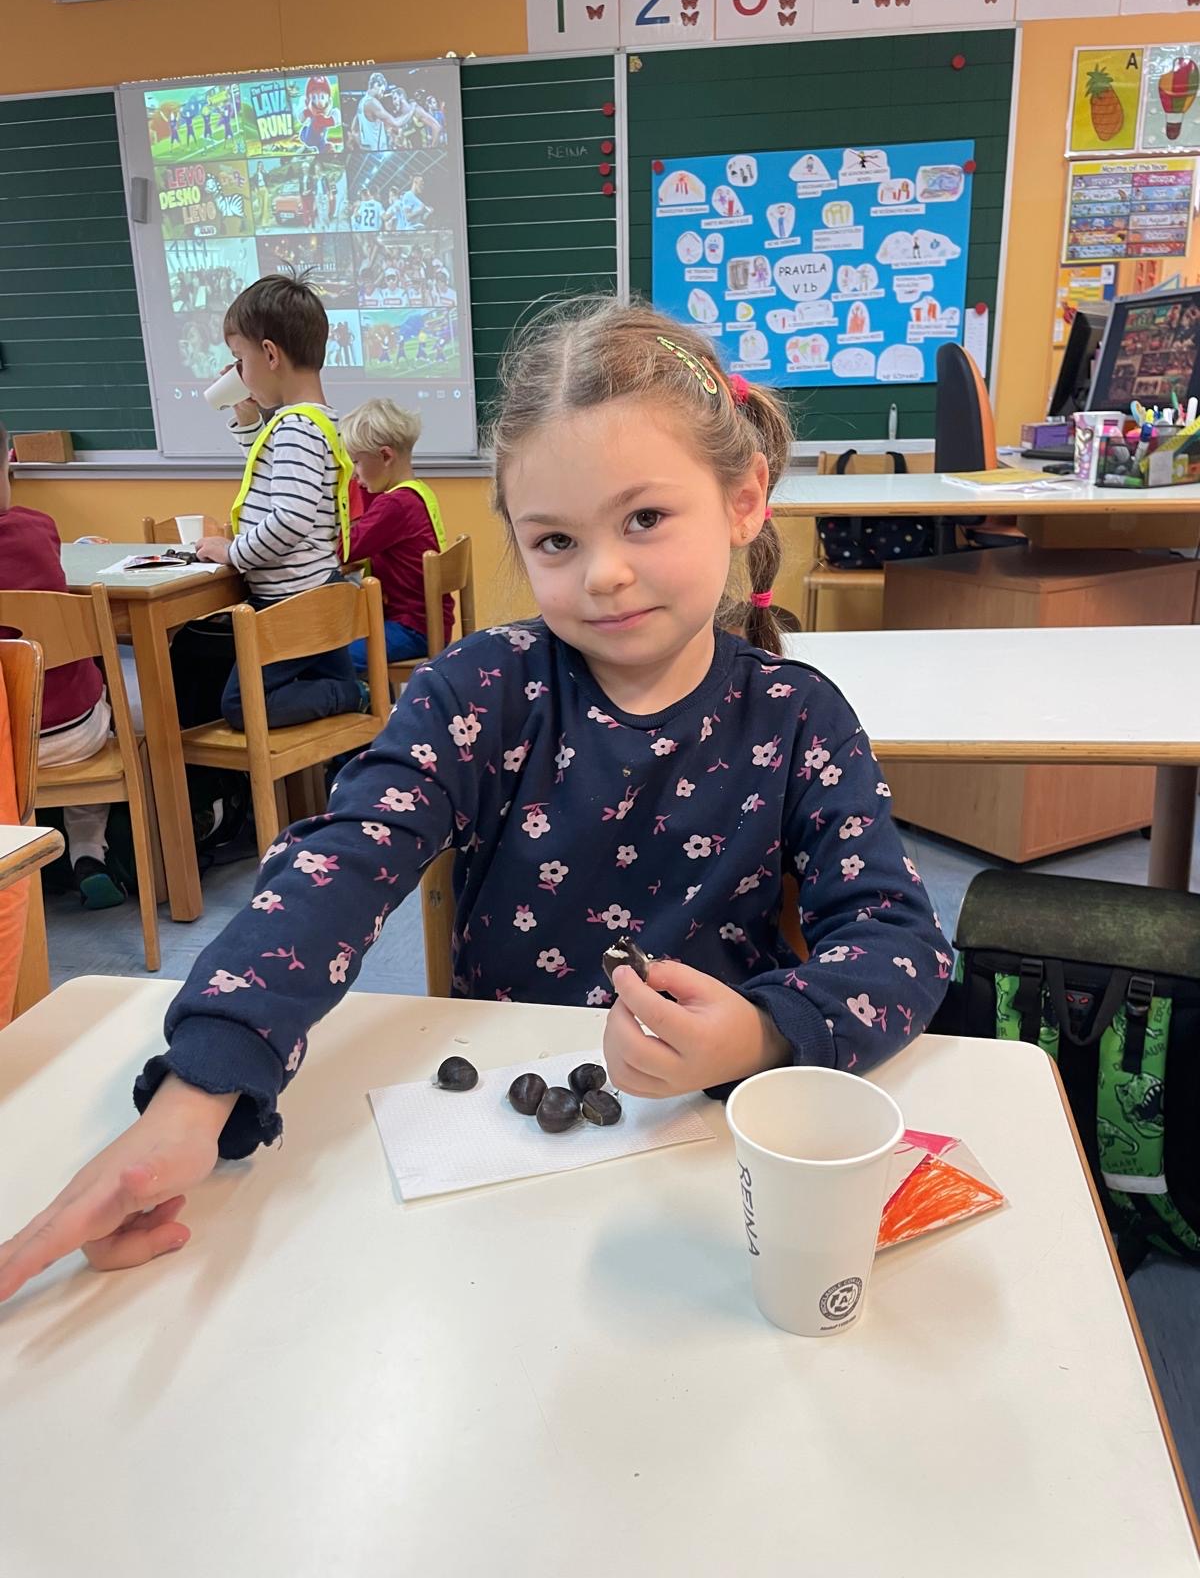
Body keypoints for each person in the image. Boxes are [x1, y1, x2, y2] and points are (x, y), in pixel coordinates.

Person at [0, 298, 948, 1300]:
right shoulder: (481, 688)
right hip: (494, 1148)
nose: (605, 574)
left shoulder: (799, 715)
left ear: (745, 498)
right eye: (555, 541)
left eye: (646, 519)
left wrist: (762, 1032)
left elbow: (899, 940)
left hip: (713, 1158)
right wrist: (199, 1089)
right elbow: (341, 861)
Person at [190, 272, 363, 730]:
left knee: (242, 704)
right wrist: (248, 421)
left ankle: (352, 694)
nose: (237, 374)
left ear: (269, 354)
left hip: (292, 599)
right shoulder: (313, 421)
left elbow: (289, 518)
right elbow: (275, 476)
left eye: (239, 361)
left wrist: (233, 552)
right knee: (322, 682)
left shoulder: (295, 427)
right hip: (316, 588)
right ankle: (348, 700)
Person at [0, 421, 124, 908]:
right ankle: (88, 850)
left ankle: (20, 855)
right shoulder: (37, 527)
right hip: (69, 737)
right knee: (103, 705)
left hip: (3, 747)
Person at [339, 398, 453, 669]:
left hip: (411, 629)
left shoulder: (395, 505)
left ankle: (364, 692)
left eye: (356, 462)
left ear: (386, 456)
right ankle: (372, 691)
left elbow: (345, 550)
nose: (354, 476)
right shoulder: (415, 492)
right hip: (426, 622)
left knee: (333, 660)